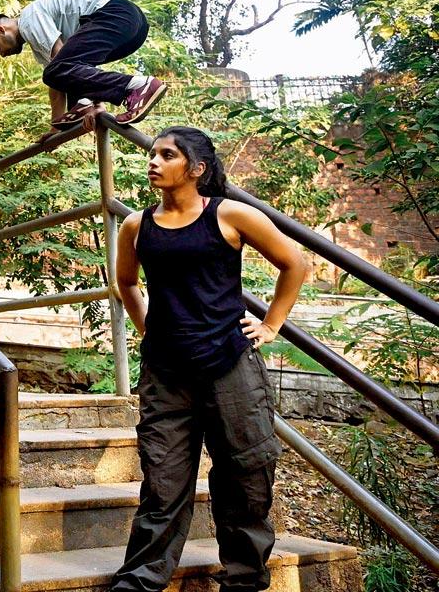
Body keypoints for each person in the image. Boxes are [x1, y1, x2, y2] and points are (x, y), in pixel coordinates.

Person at [109, 127, 309, 592]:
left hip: (230, 366)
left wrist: (271, 325)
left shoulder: (230, 214)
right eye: (153, 153)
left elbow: (295, 263)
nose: (153, 161)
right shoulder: (136, 225)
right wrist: (148, 329)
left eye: (167, 155)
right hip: (166, 374)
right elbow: (127, 283)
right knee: (162, 484)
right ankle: (139, 582)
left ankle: (243, 580)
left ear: (196, 169)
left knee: (246, 476)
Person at [0, 0, 166, 137]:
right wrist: (55, 128)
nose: (2, 54)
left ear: (1, 30)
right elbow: (60, 83)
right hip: (133, 26)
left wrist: (92, 103)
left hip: (115, 13)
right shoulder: (36, 41)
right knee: (61, 74)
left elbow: (60, 62)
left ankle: (137, 86)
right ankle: (83, 105)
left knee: (56, 71)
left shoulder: (28, 20)